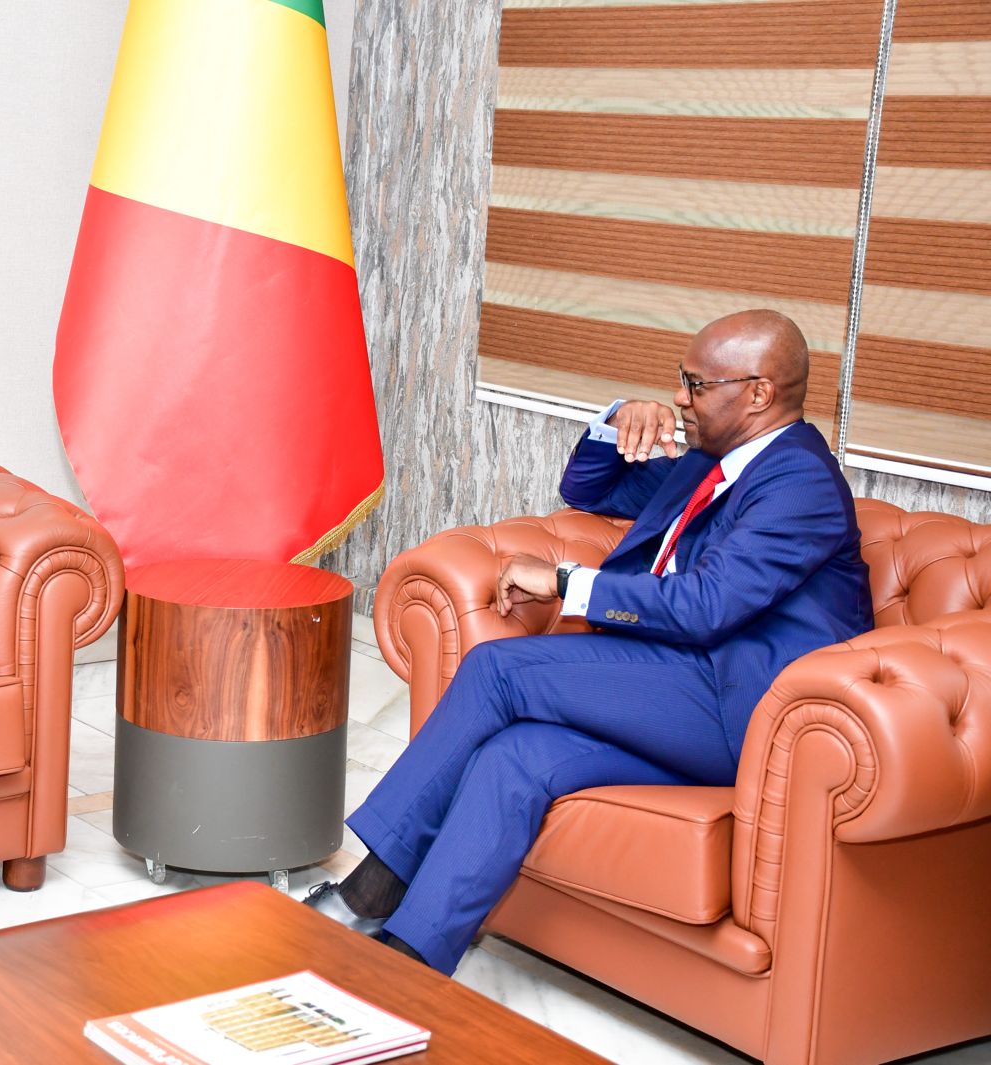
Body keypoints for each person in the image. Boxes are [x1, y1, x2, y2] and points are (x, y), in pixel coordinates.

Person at [305, 309, 873, 974]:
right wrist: (617, 419)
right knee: (518, 757)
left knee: (497, 670)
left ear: (758, 393)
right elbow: (586, 487)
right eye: (680, 379)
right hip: (670, 686)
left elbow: (706, 606)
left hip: (738, 713)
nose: (680, 398)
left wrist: (565, 582)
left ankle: (367, 890)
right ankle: (410, 962)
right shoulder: (712, 462)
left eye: (697, 384)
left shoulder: (800, 482)